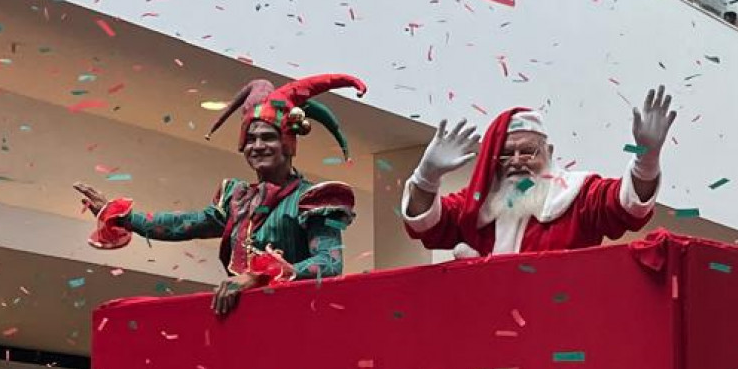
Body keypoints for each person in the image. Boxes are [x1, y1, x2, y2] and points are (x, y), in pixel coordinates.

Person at [79, 73, 364, 315]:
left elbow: (329, 263)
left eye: (268, 137)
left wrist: (259, 276)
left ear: (288, 143)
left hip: (298, 320)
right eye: (250, 139)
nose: (257, 146)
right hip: (241, 320)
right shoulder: (236, 199)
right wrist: (123, 217)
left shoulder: (312, 200)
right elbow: (183, 224)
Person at [401, 89, 674, 257]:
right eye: (507, 153)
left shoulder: (578, 194)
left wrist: (646, 160)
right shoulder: (479, 204)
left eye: (528, 151)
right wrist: (427, 177)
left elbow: (627, 206)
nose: (517, 161)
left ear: (550, 152)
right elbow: (427, 226)